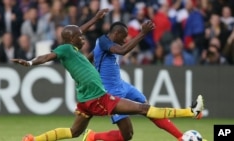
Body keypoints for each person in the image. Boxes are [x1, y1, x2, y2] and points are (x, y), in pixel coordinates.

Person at [12, 9, 204, 141]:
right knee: (141, 114)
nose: (83, 38)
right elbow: (49, 55)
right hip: (102, 96)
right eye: (79, 37)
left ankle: (34, 139)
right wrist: (30, 62)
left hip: (96, 95)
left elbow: (77, 33)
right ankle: (190, 112)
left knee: (74, 132)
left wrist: (95, 19)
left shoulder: (74, 50)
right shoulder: (74, 48)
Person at [82, 22, 199, 141]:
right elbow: (123, 50)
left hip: (122, 85)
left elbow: (90, 58)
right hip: (111, 94)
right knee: (127, 135)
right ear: (116, 33)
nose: (125, 40)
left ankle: (181, 137)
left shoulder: (102, 43)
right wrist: (143, 33)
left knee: (149, 109)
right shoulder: (103, 42)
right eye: (124, 37)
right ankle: (92, 136)